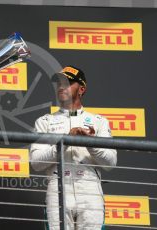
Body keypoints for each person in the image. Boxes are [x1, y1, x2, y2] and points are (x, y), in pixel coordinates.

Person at [30, 66, 117, 230]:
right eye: (59, 83)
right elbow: (36, 162)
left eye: (69, 82)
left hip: (90, 189)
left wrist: (91, 144)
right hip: (58, 188)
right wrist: (65, 141)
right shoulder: (45, 121)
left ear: (82, 89)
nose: (62, 86)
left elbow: (111, 163)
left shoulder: (99, 121)